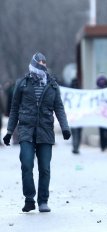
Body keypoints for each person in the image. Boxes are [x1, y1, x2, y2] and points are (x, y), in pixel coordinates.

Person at [3, 52, 71, 212]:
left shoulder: (52, 85)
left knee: (45, 168)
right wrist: (9, 131)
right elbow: (14, 109)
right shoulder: (22, 84)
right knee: (26, 164)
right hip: (26, 130)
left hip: (45, 131)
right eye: (39, 62)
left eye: (44, 62)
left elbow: (59, 107)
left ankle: (43, 201)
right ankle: (29, 199)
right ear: (33, 63)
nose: (42, 65)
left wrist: (65, 127)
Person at [96, 75, 107, 152]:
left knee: (103, 130)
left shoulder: (97, 91)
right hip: (105, 114)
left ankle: (104, 146)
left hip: (104, 114)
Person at [70, 77, 82, 154]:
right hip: (80, 116)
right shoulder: (80, 92)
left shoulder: (70, 93)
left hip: (73, 116)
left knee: (74, 133)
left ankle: (75, 146)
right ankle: (76, 146)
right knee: (78, 132)